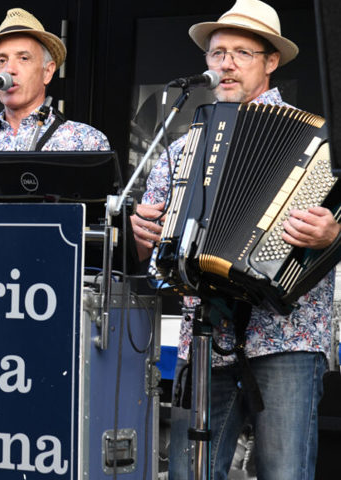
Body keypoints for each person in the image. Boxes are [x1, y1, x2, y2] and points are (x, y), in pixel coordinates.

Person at [130, 1, 338, 479]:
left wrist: (333, 232)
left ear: (271, 61)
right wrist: (142, 235)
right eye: (216, 52)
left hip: (287, 336)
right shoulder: (182, 146)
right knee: (189, 471)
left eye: (241, 52)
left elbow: (336, 222)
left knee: (283, 471)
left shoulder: (317, 141)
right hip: (201, 337)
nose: (224, 63)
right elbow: (151, 245)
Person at [0, 8, 110, 151]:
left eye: (23, 58)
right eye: (1, 60)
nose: (9, 69)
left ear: (47, 72)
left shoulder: (86, 141)